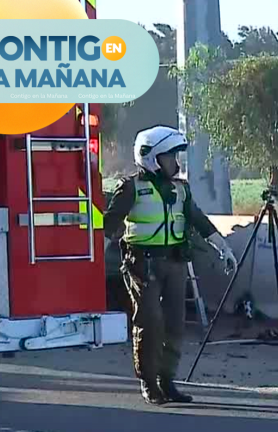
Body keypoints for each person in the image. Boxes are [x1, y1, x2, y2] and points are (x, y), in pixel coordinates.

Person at [104, 125, 238, 406]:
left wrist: (223, 248)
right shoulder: (131, 188)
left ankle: (167, 381)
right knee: (150, 323)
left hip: (176, 263)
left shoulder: (182, 190)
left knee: (176, 325)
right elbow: (107, 225)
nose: (175, 163)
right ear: (150, 157)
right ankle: (149, 382)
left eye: (176, 156)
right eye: (169, 157)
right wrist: (93, 255)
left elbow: (199, 221)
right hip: (143, 265)